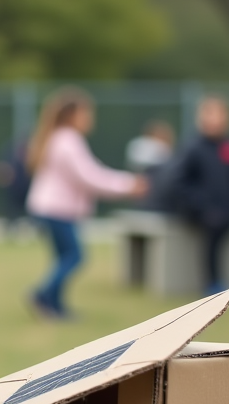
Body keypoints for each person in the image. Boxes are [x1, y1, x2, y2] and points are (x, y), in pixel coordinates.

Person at [25, 87, 147, 319]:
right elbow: (90, 177)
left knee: (64, 257)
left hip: (49, 207)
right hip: (56, 209)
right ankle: (42, 295)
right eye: (86, 113)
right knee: (75, 257)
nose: (90, 118)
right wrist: (128, 185)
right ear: (72, 115)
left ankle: (55, 306)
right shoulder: (68, 141)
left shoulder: (59, 138)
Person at [162, 95, 229, 295]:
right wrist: (201, 207)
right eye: (211, 114)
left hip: (227, 213)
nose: (216, 120)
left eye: (220, 114)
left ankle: (217, 282)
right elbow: (179, 183)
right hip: (199, 213)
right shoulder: (192, 148)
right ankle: (212, 283)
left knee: (219, 229)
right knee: (212, 232)